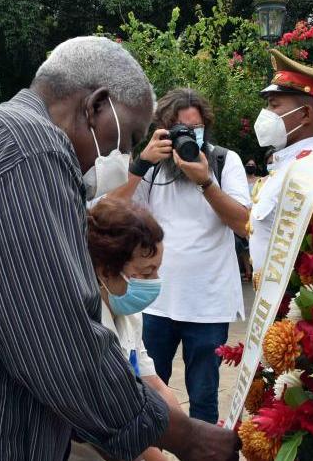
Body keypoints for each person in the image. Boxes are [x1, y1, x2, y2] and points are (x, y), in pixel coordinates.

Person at [0, 36, 239, 461]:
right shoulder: (32, 147)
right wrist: (183, 436)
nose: (119, 154)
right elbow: (57, 339)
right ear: (96, 105)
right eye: (124, 137)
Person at [107, 87, 251, 424]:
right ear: (164, 132)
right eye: (180, 130)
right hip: (156, 302)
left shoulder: (224, 162)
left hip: (209, 304)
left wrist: (206, 182)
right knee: (145, 394)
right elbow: (111, 211)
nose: (189, 137)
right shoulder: (152, 169)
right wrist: (141, 163)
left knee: (203, 399)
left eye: (195, 129)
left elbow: (245, 225)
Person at [70, 198, 179, 461]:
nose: (154, 282)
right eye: (145, 273)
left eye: (157, 271)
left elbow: (154, 383)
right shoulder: (84, 325)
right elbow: (117, 421)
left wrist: (192, 433)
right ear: (106, 272)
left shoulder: (128, 313)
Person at [248, 49, 313, 287]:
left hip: (294, 307)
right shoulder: (286, 165)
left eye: (274, 106)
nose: (265, 114)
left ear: (305, 114)